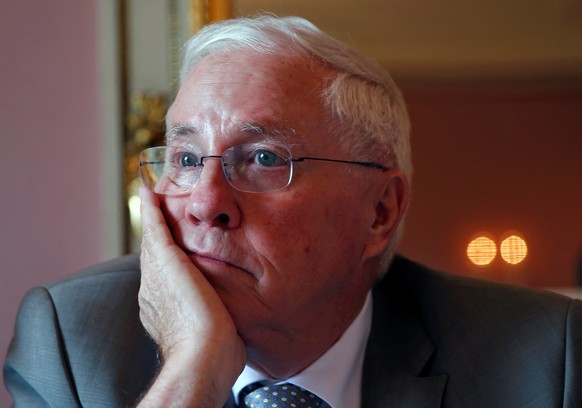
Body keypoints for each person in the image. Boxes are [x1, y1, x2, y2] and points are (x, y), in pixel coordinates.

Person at [3, 15, 582, 408]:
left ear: (380, 212)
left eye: (260, 158)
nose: (205, 203)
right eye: (184, 157)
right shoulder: (72, 338)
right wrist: (193, 374)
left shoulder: (544, 359)